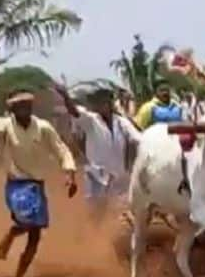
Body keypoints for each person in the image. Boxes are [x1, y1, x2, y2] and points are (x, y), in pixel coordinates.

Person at [0, 88, 77, 277]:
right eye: (20, 106)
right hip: (16, 184)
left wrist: (70, 173)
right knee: (27, 220)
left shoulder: (43, 127)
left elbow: (60, 149)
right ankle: (10, 236)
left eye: (27, 106)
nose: (24, 109)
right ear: (13, 110)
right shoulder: (6, 126)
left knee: (35, 235)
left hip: (36, 185)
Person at [54, 85, 142, 223]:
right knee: (96, 210)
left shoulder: (121, 122)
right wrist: (65, 96)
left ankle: (112, 239)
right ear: (94, 105)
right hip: (96, 175)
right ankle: (92, 238)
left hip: (119, 175)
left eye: (106, 101)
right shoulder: (91, 120)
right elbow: (74, 112)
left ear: (110, 103)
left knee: (120, 211)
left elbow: (138, 139)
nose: (103, 105)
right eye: (99, 102)